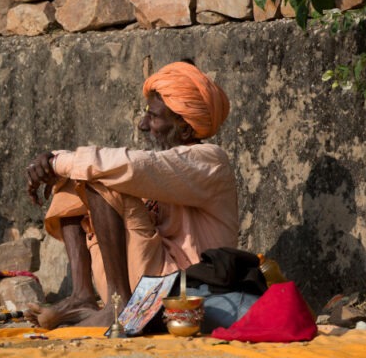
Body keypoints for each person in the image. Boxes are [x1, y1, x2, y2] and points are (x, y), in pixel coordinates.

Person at [25, 60, 238, 329]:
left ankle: (119, 306)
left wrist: (55, 162)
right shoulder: (166, 164)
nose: (142, 124)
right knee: (76, 179)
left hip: (183, 292)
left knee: (100, 177)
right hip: (145, 281)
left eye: (154, 116)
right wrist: (61, 170)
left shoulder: (210, 161)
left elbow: (132, 166)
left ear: (184, 128)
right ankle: (82, 296)